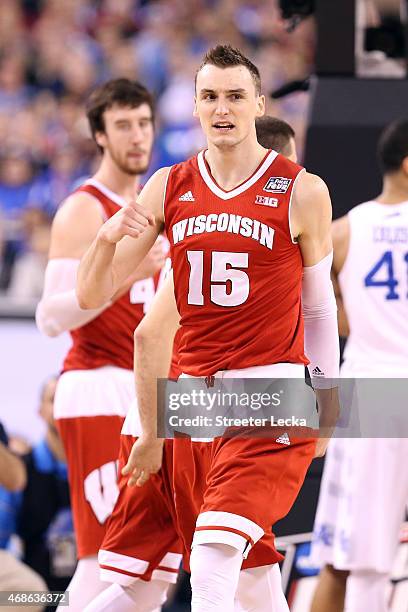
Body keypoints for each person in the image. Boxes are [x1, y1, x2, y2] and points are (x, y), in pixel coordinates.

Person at [77, 45, 340, 611]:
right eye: (210, 97)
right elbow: (93, 294)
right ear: (194, 107)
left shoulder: (302, 189)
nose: (222, 109)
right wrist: (102, 238)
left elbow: (319, 312)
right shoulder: (169, 185)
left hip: (272, 395)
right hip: (194, 405)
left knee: (214, 556)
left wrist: (329, 405)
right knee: (246, 574)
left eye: (236, 96)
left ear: (258, 104)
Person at [36, 78, 167, 611]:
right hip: (94, 385)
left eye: (143, 123)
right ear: (99, 135)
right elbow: (50, 315)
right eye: (122, 126)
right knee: (101, 559)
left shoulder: (151, 203)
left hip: (137, 391)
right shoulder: (84, 209)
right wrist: (127, 265)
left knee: (143, 560)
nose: (137, 136)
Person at [310, 120, 408, 612]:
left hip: (371, 390)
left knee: (358, 553)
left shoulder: (345, 229)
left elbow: (308, 299)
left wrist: (352, 321)